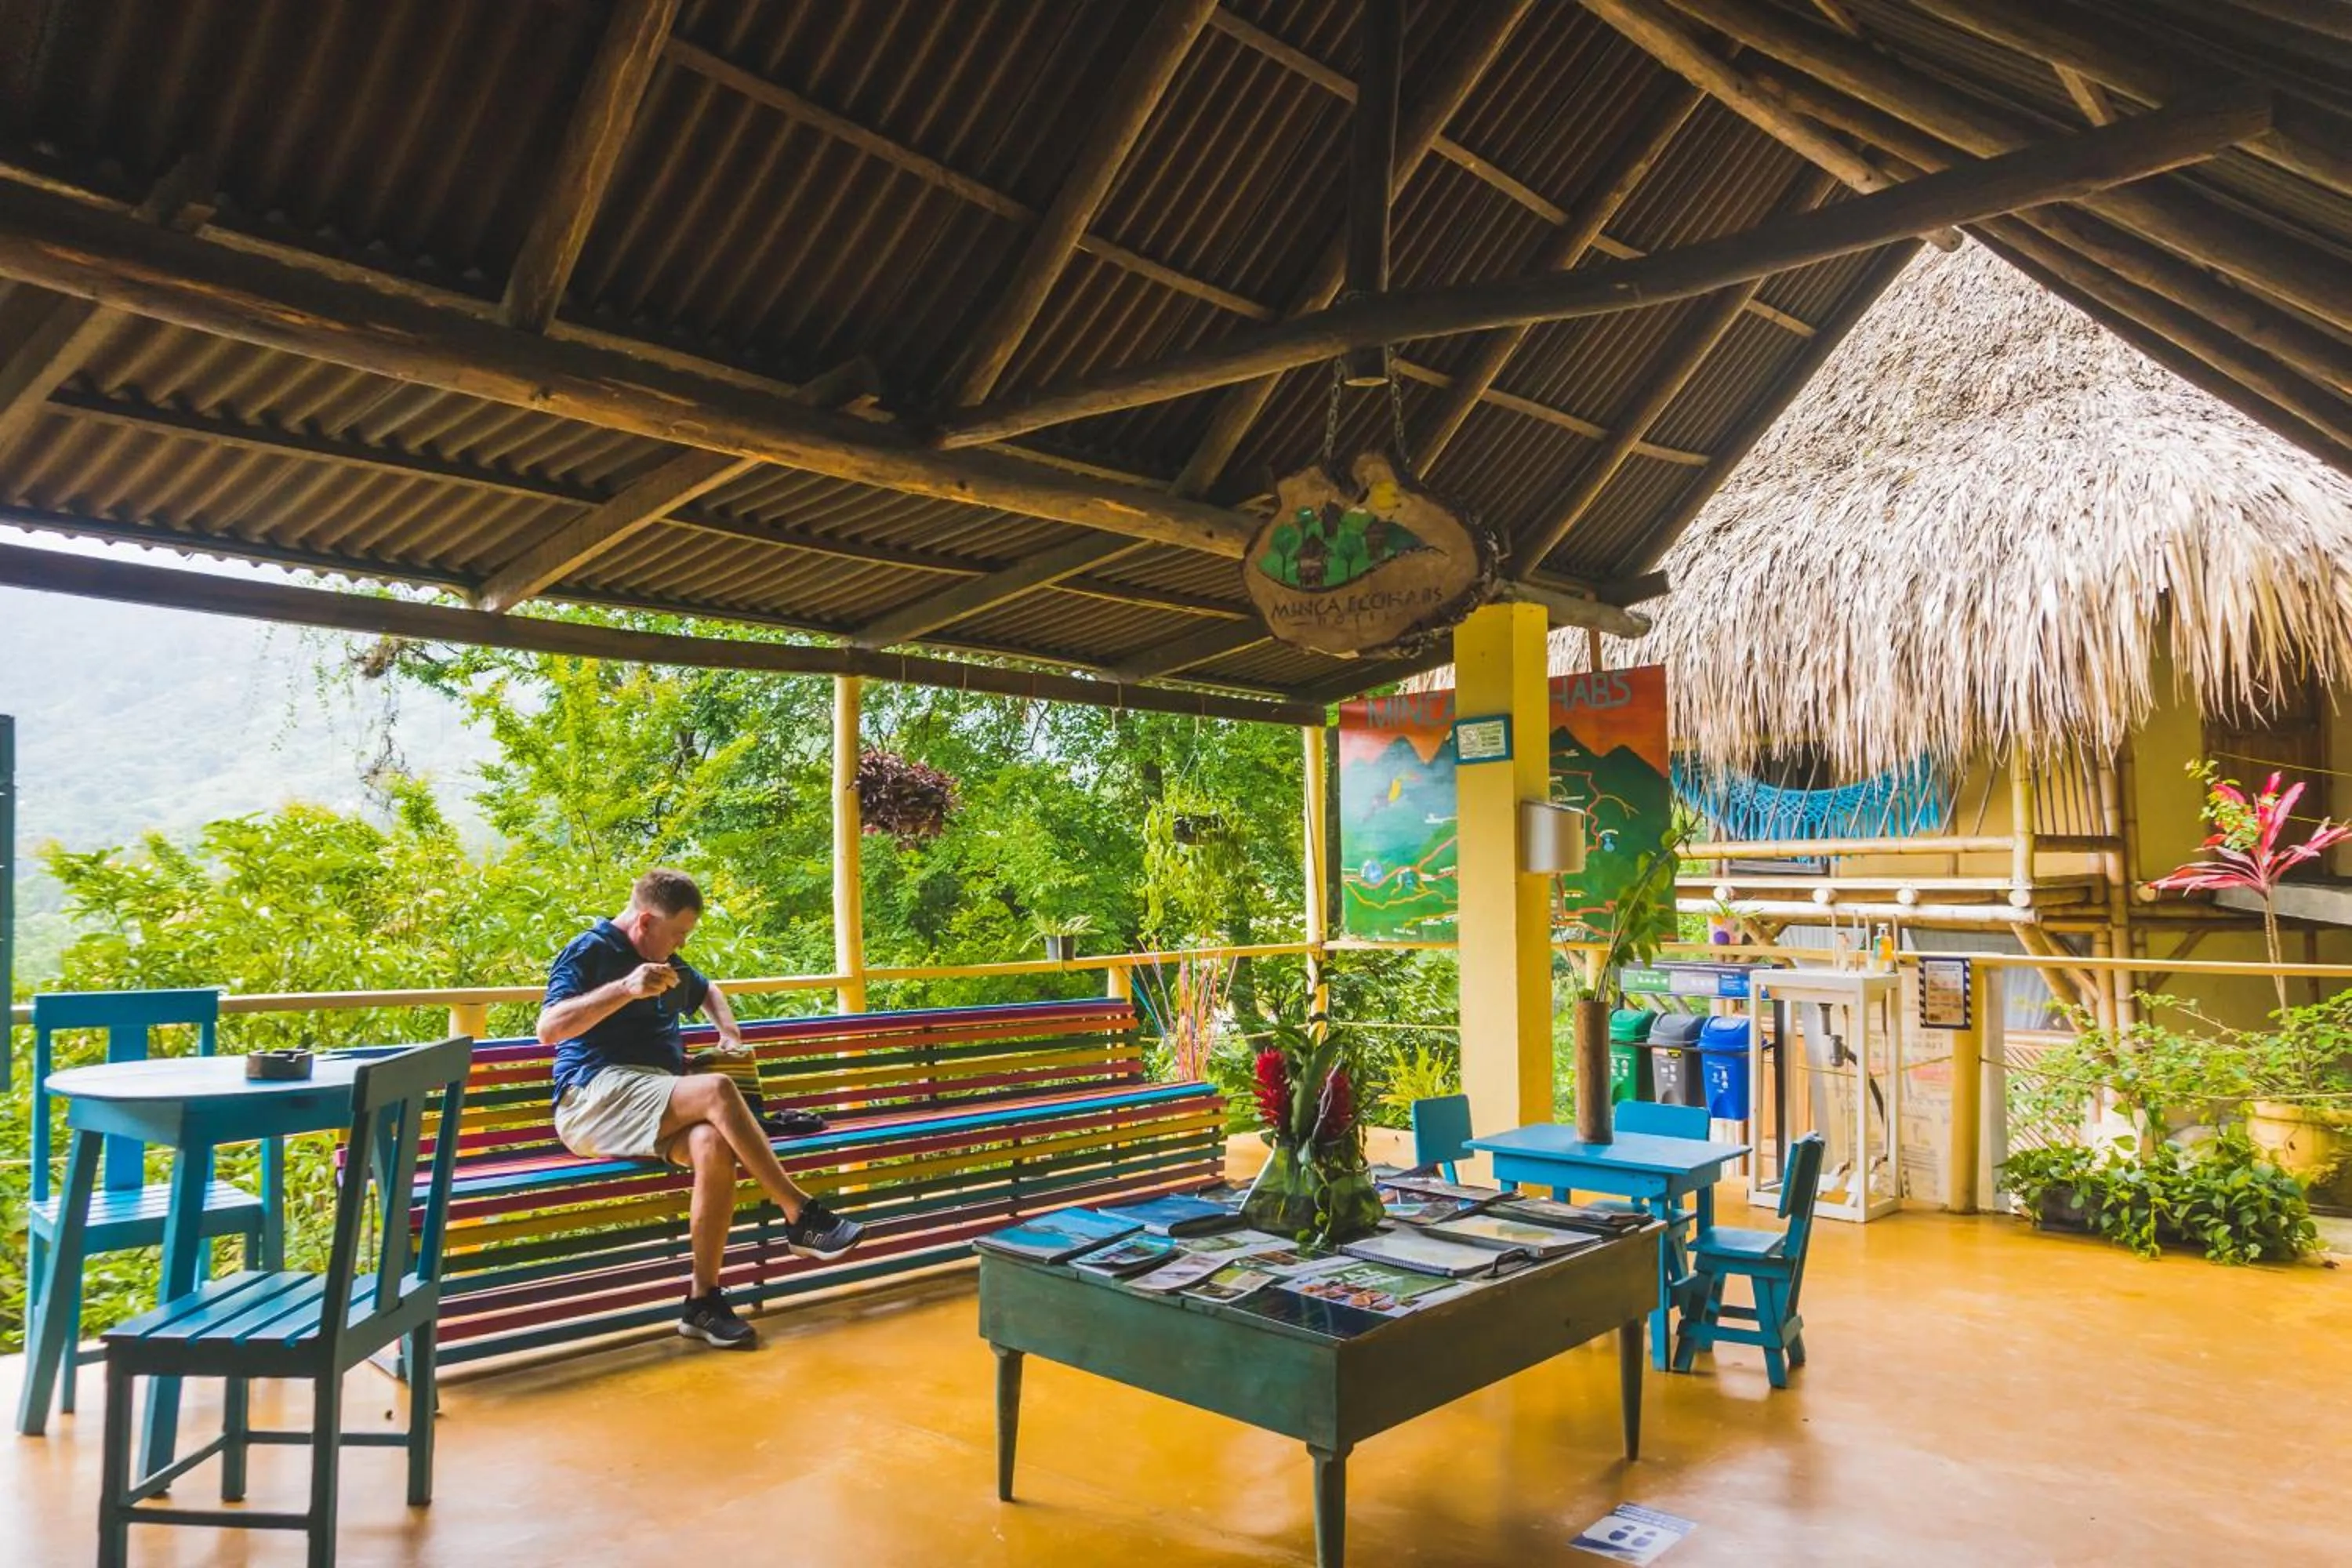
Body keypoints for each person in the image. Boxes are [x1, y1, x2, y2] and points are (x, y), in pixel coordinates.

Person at [539, 869, 862, 1350]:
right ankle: (800, 1214)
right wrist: (625, 989)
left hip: (649, 1096)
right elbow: (548, 1028)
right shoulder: (591, 950)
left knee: (714, 1144)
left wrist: (728, 1033)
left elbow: (706, 990)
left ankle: (703, 1300)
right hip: (592, 1098)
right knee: (717, 1091)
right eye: (676, 934)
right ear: (645, 921)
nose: (678, 945)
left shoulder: (662, 959)